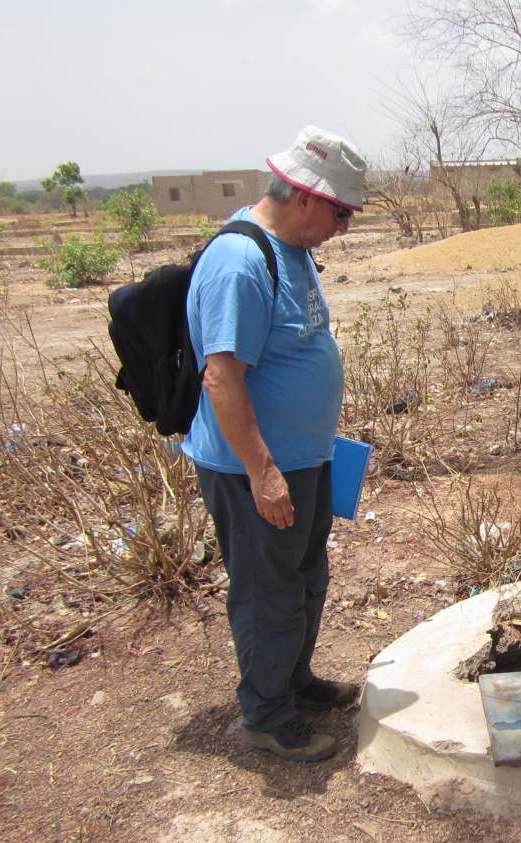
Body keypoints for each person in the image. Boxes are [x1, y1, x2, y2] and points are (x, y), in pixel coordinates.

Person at [183, 125, 365, 762]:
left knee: (306, 574)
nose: (344, 226)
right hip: (255, 468)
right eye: (342, 213)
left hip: (303, 457)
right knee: (269, 589)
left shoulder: (292, 248)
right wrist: (262, 471)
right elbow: (222, 377)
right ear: (308, 198)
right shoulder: (239, 263)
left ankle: (293, 680)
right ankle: (265, 714)